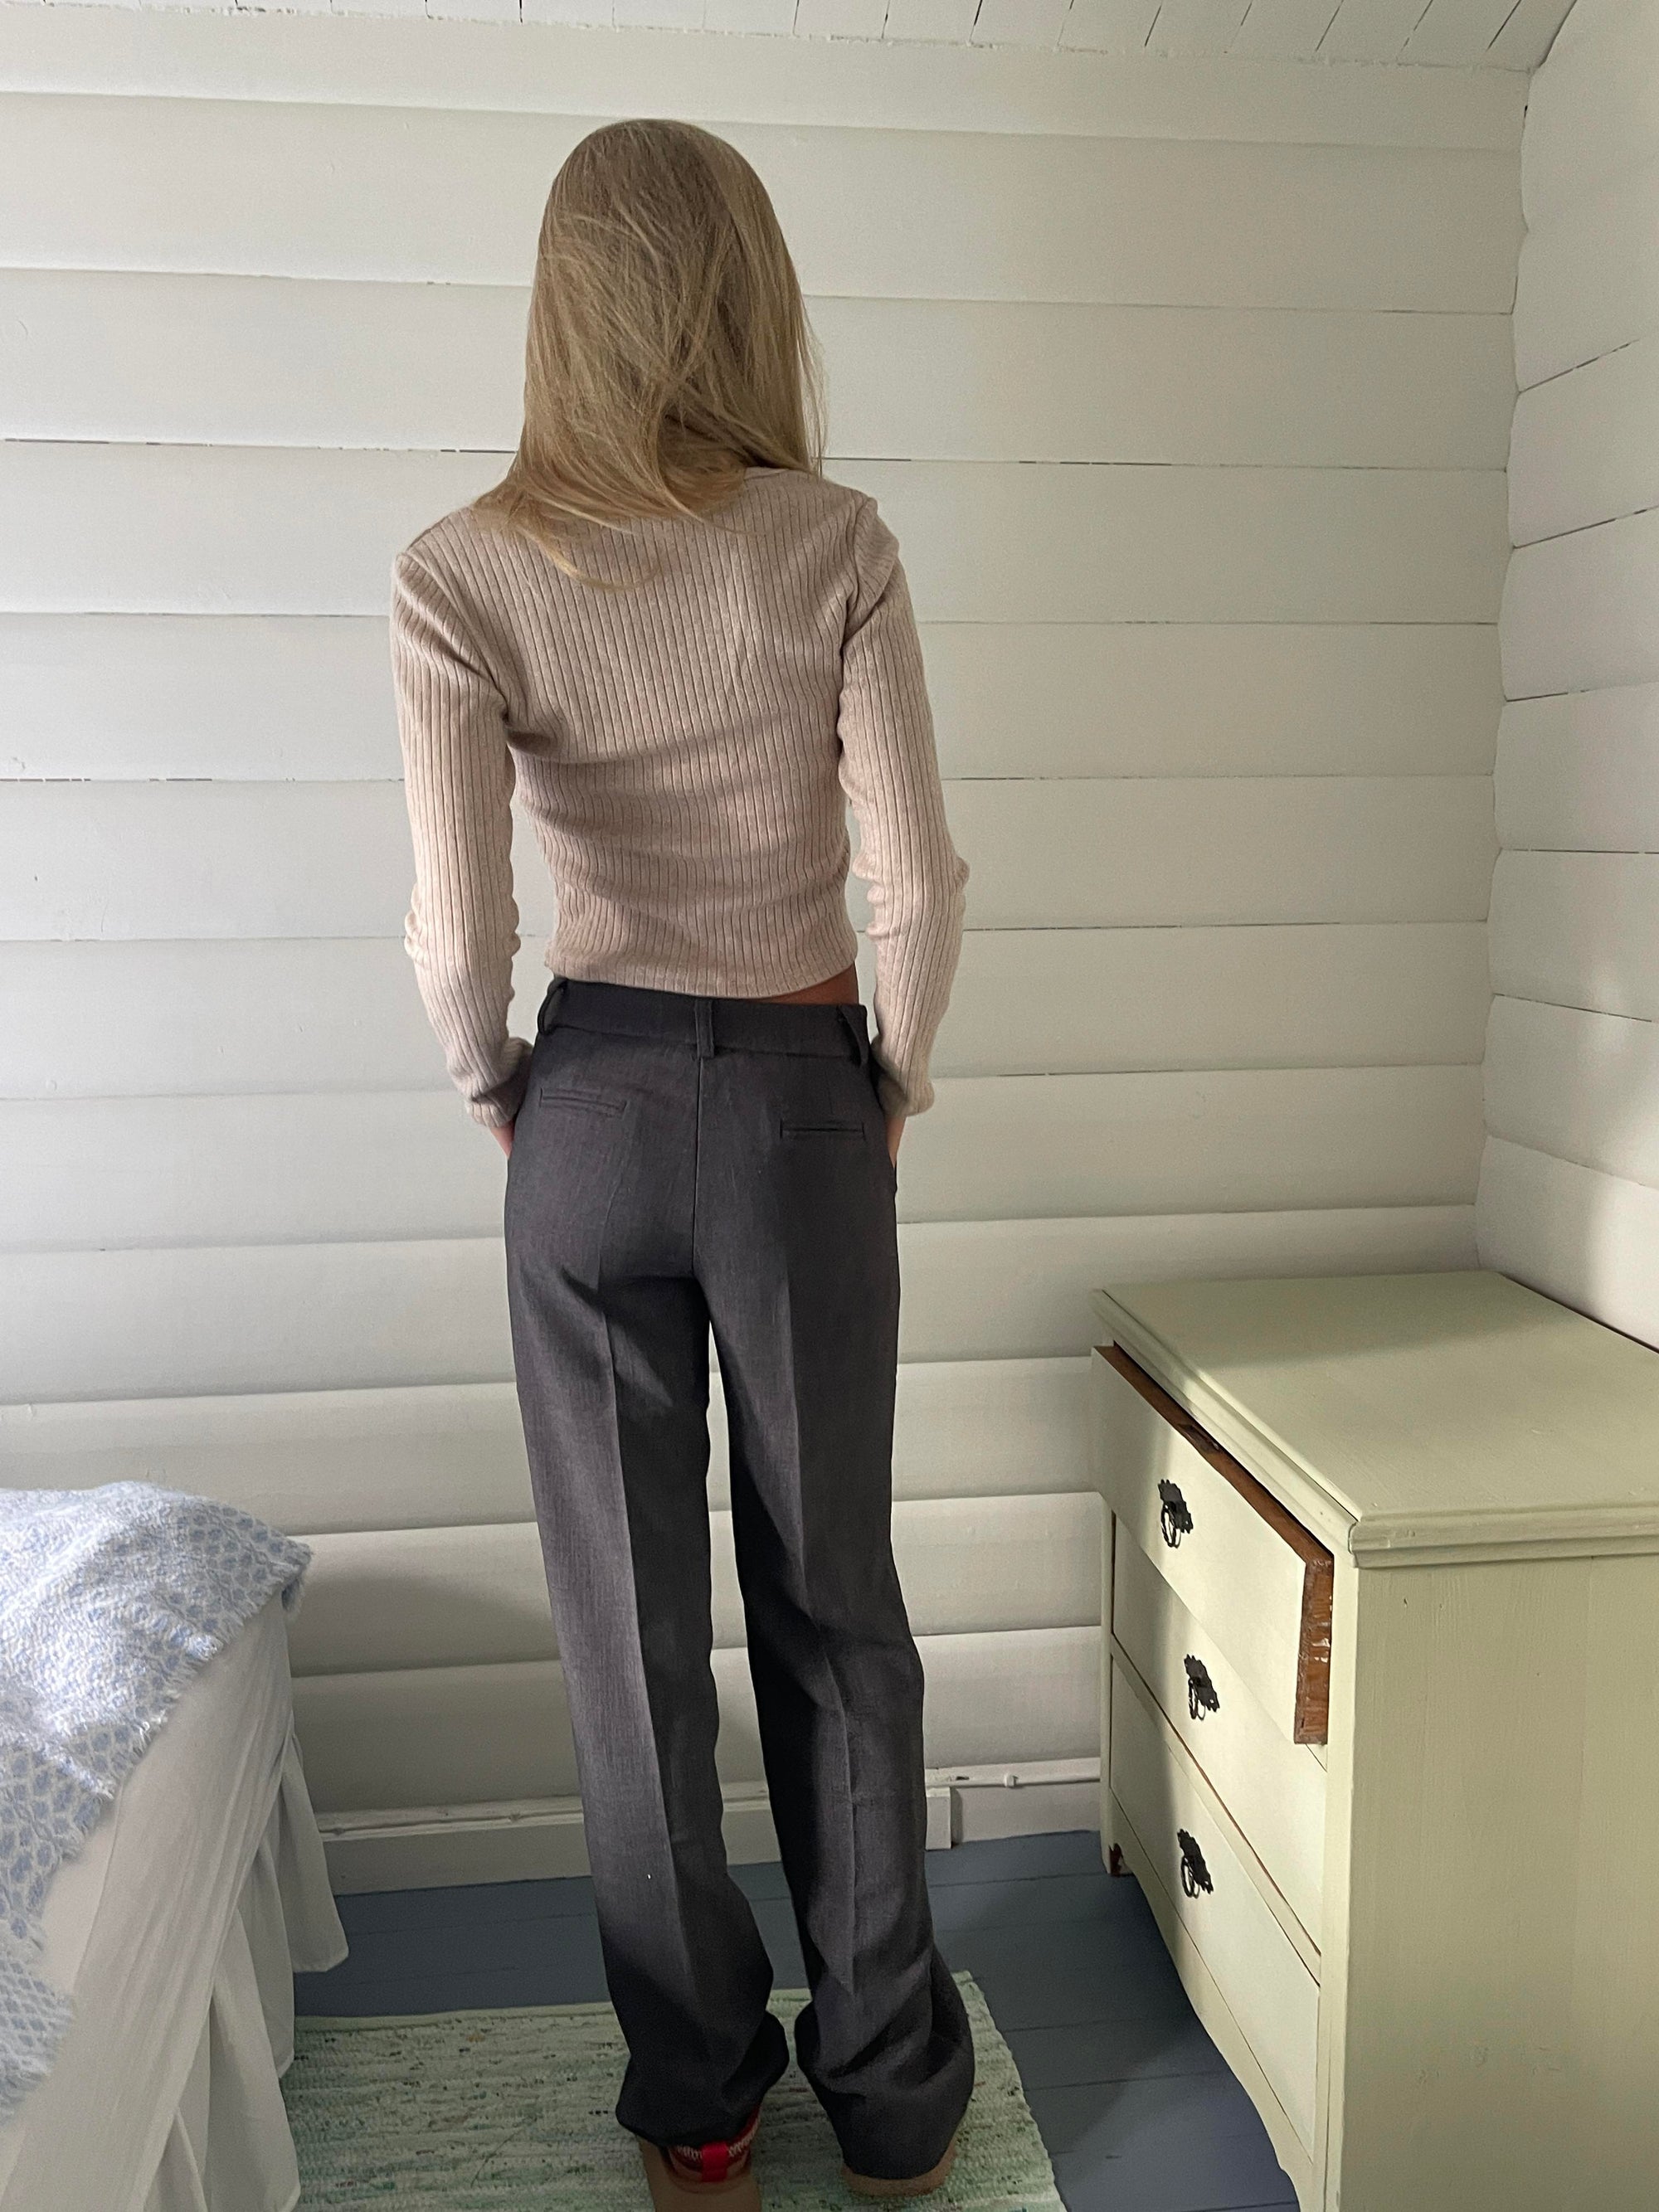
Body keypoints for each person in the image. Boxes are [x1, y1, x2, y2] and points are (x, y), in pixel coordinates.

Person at [389, 116, 972, 2211]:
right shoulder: (833, 542)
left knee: (625, 1637)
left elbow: (456, 933)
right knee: (834, 1606)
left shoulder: (464, 569)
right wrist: (888, 1081)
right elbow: (914, 882)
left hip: (592, 1111)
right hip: (800, 1100)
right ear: (752, 296)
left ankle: (701, 2102)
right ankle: (889, 2096)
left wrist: (499, 1084)